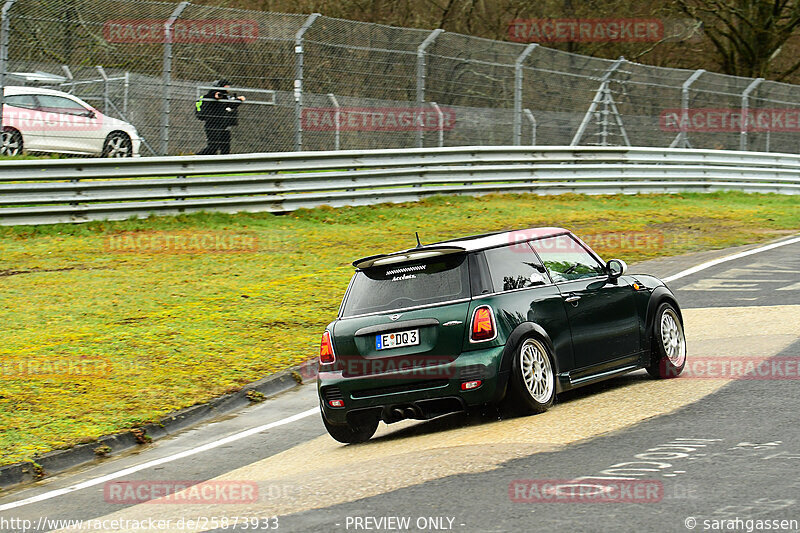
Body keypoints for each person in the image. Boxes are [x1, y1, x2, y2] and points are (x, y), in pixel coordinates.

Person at [196, 79, 246, 155]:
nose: (228, 87)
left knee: (225, 148)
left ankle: (223, 164)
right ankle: (195, 158)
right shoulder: (211, 95)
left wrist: (239, 100)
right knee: (213, 147)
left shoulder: (225, 97)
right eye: (226, 86)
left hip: (224, 125)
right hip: (213, 125)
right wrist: (216, 95)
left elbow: (231, 105)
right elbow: (213, 95)